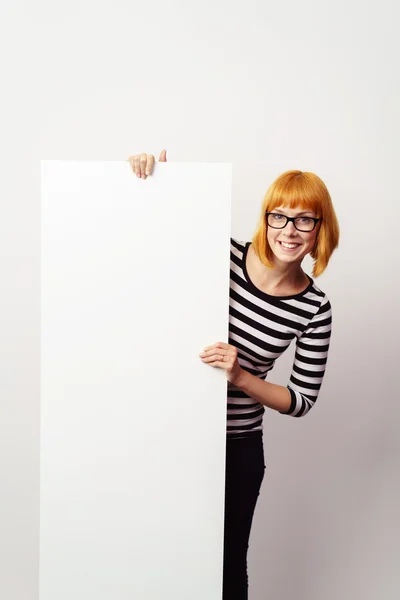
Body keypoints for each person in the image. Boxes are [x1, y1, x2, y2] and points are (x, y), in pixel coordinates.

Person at [128, 150, 340, 600]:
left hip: (235, 448)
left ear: (321, 229)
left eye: (305, 220)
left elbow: (301, 400)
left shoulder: (314, 307)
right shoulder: (218, 255)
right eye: (279, 216)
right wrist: (159, 183)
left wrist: (241, 375)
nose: (289, 230)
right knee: (147, 554)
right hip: (165, 431)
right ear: (265, 219)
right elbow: (149, 248)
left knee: (224, 569)